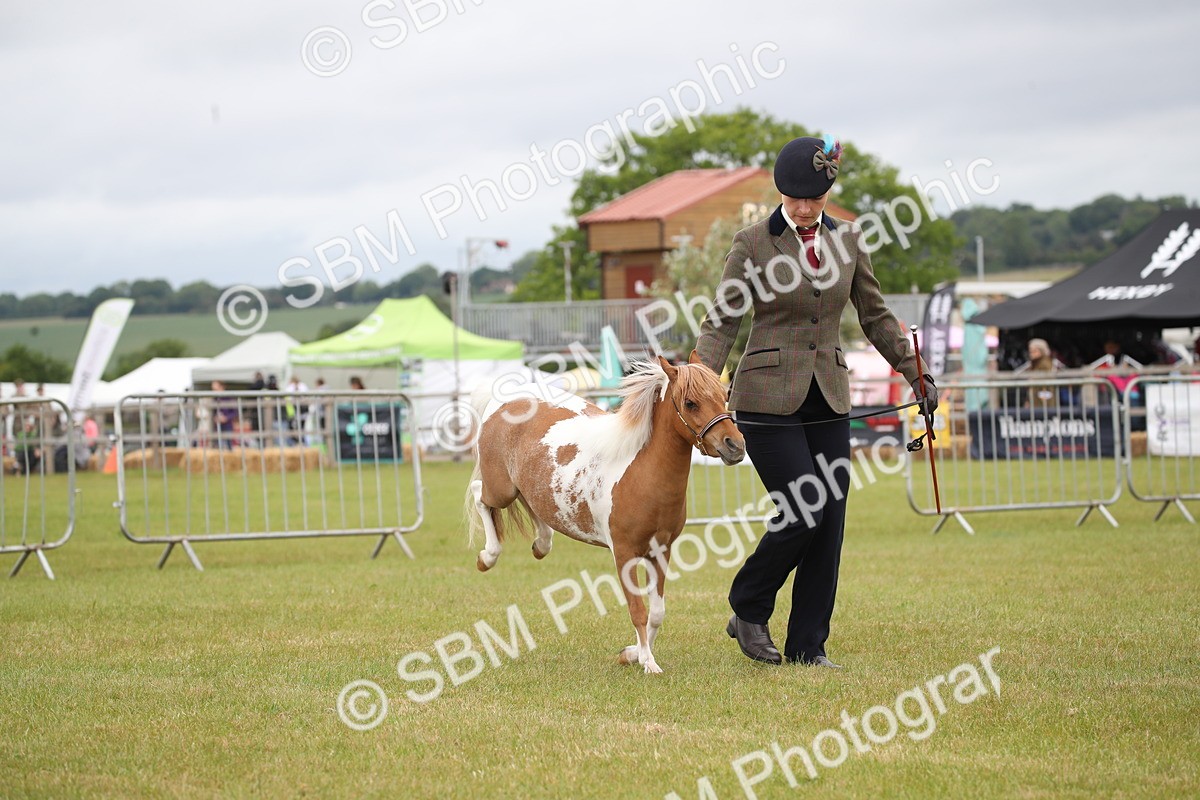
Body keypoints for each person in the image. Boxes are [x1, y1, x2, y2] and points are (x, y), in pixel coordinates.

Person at [696, 135, 935, 668]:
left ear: (828, 192)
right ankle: (749, 606)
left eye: (814, 198)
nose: (804, 208)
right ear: (781, 194)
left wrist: (917, 374)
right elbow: (723, 321)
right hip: (764, 397)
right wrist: (700, 380)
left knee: (829, 522)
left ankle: (808, 646)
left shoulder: (849, 241)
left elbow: (874, 315)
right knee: (804, 507)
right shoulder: (752, 243)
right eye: (794, 197)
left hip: (828, 393)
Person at [1024, 338, 1059, 408]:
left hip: (1043, 397)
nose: (1031, 354)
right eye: (1030, 351)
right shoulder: (1034, 363)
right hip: (1036, 396)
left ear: (1041, 351)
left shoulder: (1045, 363)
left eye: (1034, 351)